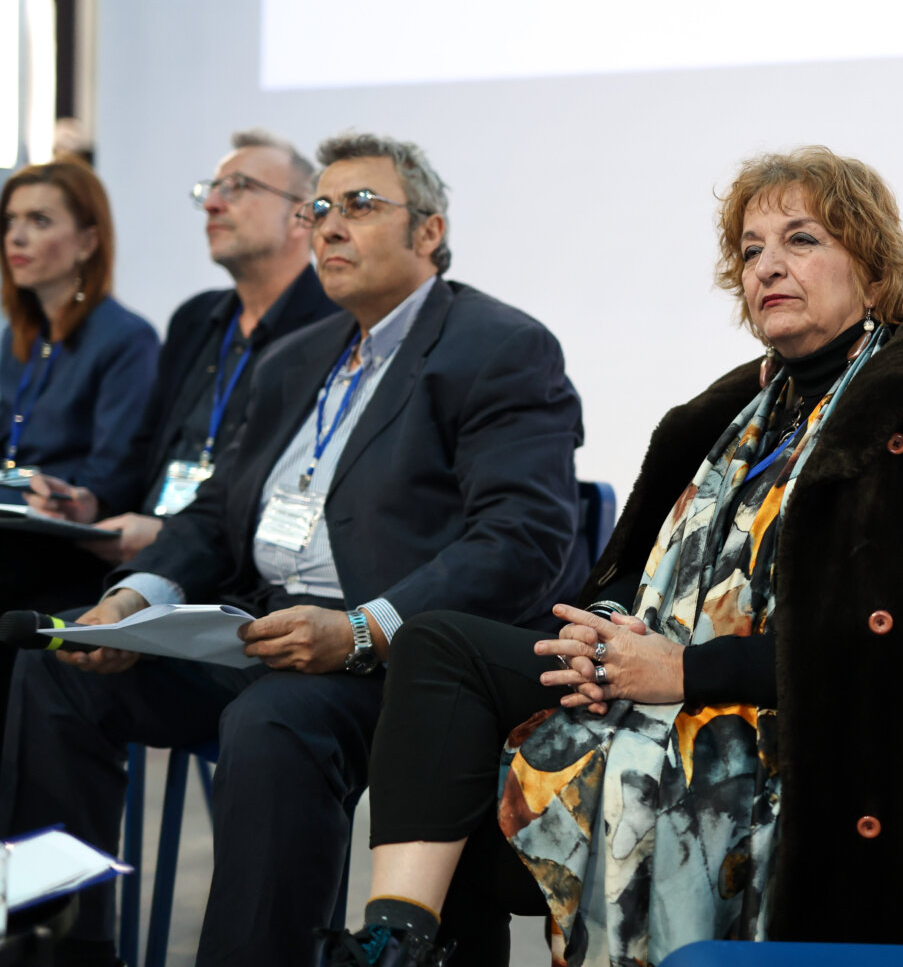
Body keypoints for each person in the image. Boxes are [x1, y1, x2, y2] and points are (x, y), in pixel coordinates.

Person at [319, 146, 903, 967]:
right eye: (751, 250)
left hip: (799, 744)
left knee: (464, 802)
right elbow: (638, 575)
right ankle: (396, 939)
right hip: (656, 688)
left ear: (876, 271)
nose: (767, 266)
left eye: (802, 239)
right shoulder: (740, 412)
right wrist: (602, 630)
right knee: (438, 647)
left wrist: (684, 671)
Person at [0, 132, 590, 967]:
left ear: (429, 232)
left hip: (401, 662)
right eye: (319, 208)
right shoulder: (294, 359)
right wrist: (134, 602)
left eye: (360, 206)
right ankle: (59, 945)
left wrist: (360, 631)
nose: (330, 225)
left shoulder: (497, 347)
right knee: (59, 666)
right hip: (266, 630)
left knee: (275, 720)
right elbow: (216, 515)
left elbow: (521, 539)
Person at [24, 128, 337, 562]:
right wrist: (94, 503)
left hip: (231, 565)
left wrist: (172, 538)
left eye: (239, 188)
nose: (212, 204)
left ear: (302, 215)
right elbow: (144, 446)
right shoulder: (196, 318)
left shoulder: (333, 326)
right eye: (211, 190)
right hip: (138, 552)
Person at [0, 159, 159, 611]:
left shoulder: (126, 338)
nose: (15, 237)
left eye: (39, 221)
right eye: (10, 221)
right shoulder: (17, 337)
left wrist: (58, 496)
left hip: (63, 551)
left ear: (88, 242)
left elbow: (112, 479)